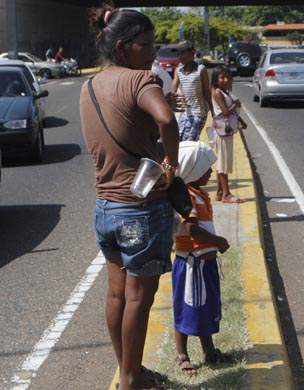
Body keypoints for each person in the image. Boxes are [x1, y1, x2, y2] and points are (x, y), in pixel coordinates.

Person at [79, 5, 179, 390]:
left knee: (117, 295)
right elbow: (166, 120)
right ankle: (132, 380)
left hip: (106, 208)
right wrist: (170, 164)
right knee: (140, 298)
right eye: (147, 44)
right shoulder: (141, 81)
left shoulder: (89, 86)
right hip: (140, 209)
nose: (154, 52)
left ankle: (128, 372)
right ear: (123, 48)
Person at [171, 140, 235, 375]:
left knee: (204, 307)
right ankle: (181, 354)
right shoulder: (186, 195)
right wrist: (218, 242)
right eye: (207, 168)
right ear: (194, 169)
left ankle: (209, 351)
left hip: (202, 264)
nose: (210, 172)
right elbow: (192, 229)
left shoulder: (198, 193)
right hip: (192, 264)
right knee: (187, 307)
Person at [211, 65, 245, 203]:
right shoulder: (217, 93)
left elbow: (233, 113)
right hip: (222, 131)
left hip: (227, 130)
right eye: (222, 77)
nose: (225, 80)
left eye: (227, 77)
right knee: (223, 162)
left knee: (223, 161)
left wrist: (241, 120)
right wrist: (235, 104)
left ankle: (219, 192)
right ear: (216, 79)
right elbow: (225, 112)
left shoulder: (225, 92)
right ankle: (226, 194)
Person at [172, 40, 214, 142]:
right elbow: (173, 89)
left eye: (183, 53)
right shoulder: (178, 71)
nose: (180, 57)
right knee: (178, 139)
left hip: (199, 112)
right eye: (178, 54)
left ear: (192, 53)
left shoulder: (201, 70)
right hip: (186, 112)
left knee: (189, 140)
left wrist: (213, 110)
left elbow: (207, 91)